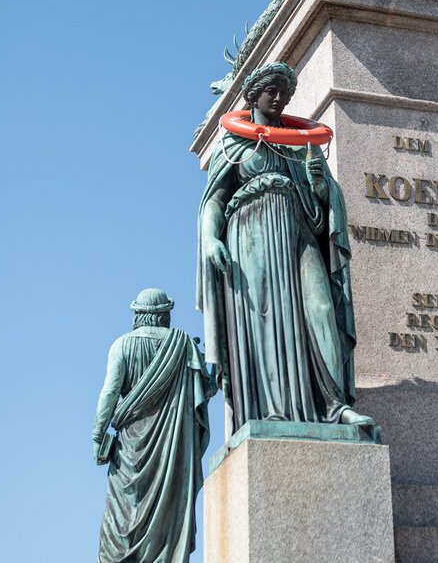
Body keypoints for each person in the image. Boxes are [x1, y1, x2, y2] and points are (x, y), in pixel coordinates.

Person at [196, 62, 373, 433]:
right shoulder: (234, 142)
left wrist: (323, 187)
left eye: (284, 93)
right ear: (254, 95)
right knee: (265, 319)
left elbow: (323, 205)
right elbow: (214, 200)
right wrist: (210, 238)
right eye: (271, 91)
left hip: (298, 231)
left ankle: (334, 406)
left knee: (321, 308)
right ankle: (272, 411)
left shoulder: (301, 147)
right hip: (251, 233)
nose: (278, 98)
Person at [92, 288, 213, 563]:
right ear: (163, 316)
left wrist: (98, 434)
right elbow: (204, 392)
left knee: (120, 520)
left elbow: (109, 393)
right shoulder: (183, 347)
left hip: (129, 453)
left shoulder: (122, 345)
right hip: (171, 453)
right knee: (167, 518)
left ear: (138, 316)